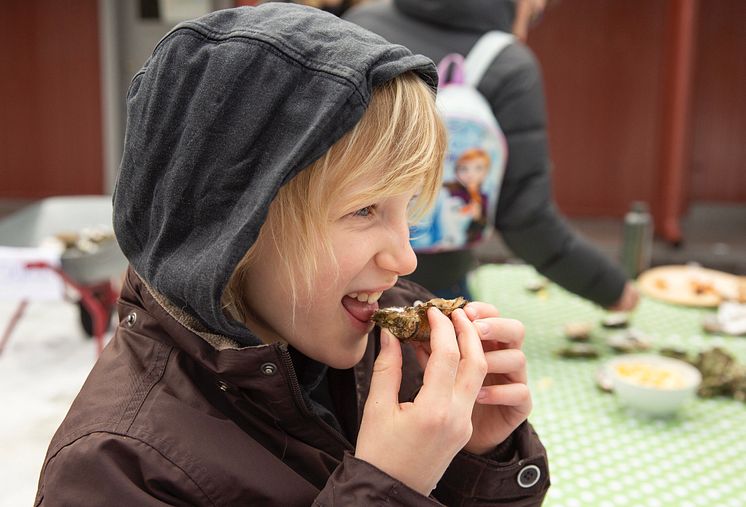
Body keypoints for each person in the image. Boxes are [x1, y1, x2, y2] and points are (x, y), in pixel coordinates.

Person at [35, 4, 549, 505]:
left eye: (407, 208)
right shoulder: (114, 469)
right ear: (234, 219)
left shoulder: (379, 348)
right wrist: (388, 485)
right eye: (365, 210)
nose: (405, 260)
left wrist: (475, 457)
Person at [344, 0, 640, 310]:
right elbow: (528, 220)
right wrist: (610, 288)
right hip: (433, 281)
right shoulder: (507, 64)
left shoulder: (360, 20)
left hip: (340, 268)